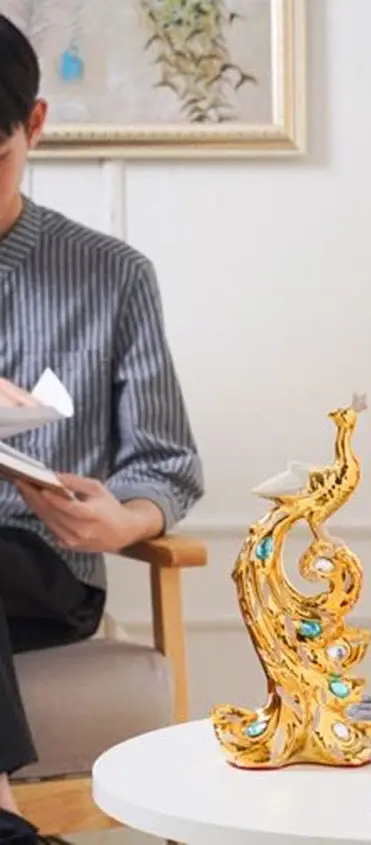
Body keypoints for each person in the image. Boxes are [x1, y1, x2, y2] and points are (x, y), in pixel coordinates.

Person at [0, 13, 204, 840]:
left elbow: (167, 460)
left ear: (35, 125)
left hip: (43, 566)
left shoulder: (111, 275)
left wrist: (125, 519)